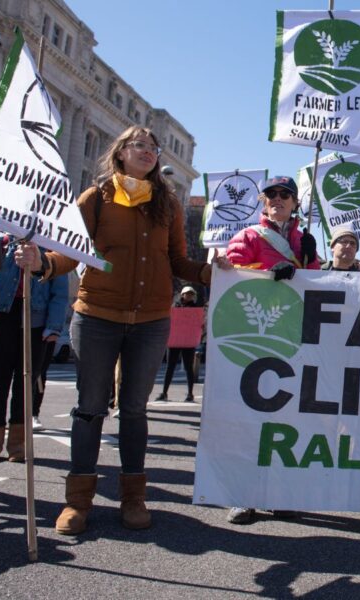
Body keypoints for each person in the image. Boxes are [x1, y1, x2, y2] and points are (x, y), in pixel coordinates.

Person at [15, 126, 229, 535]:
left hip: (150, 321)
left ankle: (134, 497)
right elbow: (70, 250)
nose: (148, 152)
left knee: (134, 410)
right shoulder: (96, 198)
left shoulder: (168, 204)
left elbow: (177, 260)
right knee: (90, 407)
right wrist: (41, 264)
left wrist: (208, 272)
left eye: (153, 147)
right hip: (96, 316)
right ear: (121, 153)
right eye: (140, 146)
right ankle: (78, 501)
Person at [224, 174, 320, 525]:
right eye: (271, 195)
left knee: (285, 418)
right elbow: (232, 272)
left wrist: (307, 263)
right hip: (254, 334)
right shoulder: (249, 236)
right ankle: (241, 494)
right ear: (264, 202)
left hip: (292, 335)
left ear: (295, 203)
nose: (277, 199)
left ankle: (279, 492)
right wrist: (268, 272)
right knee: (250, 417)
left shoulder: (304, 240)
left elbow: (318, 286)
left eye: (285, 195)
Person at [0, 241, 67, 463]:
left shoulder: (51, 249)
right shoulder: (5, 244)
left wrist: (54, 326)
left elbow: (60, 291)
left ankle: (18, 443)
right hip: (3, 313)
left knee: (25, 382)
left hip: (35, 319)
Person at [155, 286, 202, 402]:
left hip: (188, 341)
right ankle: (164, 393)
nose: (189, 296)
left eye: (191, 294)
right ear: (182, 295)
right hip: (175, 341)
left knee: (188, 368)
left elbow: (199, 324)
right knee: (170, 367)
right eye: (187, 294)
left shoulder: (196, 310)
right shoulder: (175, 307)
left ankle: (190, 394)